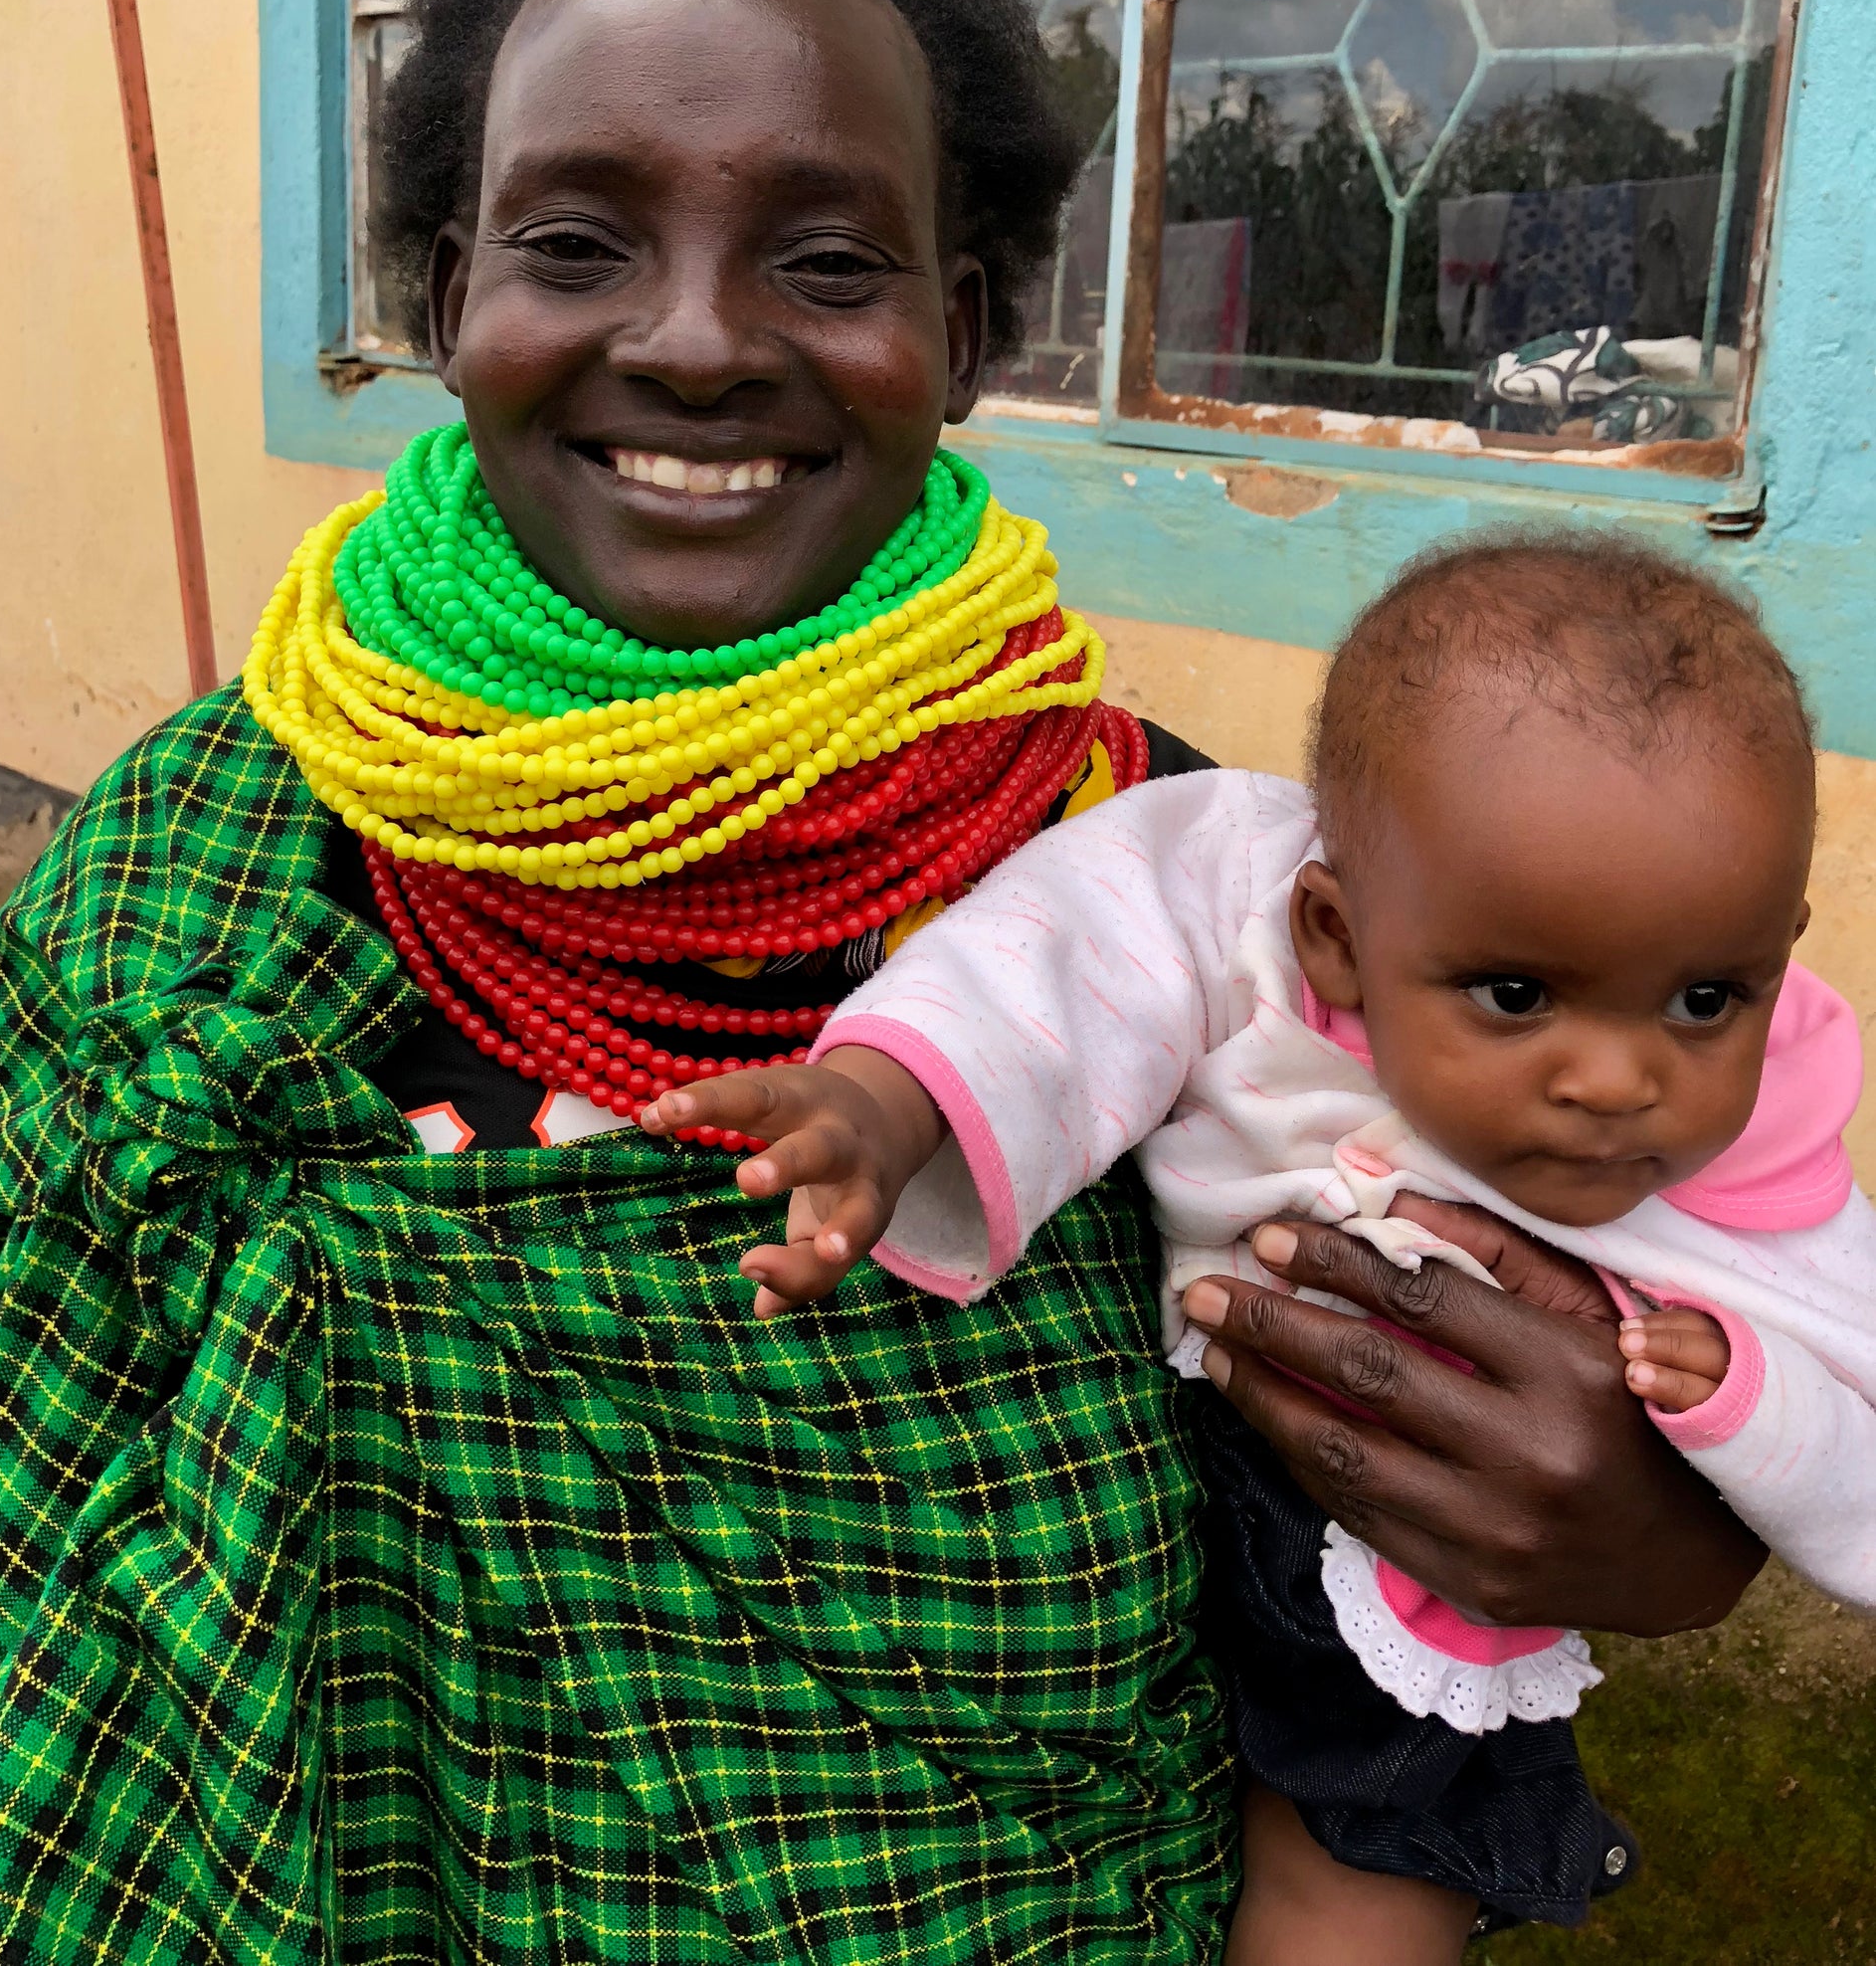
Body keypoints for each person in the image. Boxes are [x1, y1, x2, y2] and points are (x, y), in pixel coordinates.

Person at [0, 0, 1765, 1963]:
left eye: (825, 256)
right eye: (573, 238)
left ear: (969, 332)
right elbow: (8, 1509)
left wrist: (1671, 1527)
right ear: (447, 296)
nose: (696, 337)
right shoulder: (182, 878)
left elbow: (1568, 1336)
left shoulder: (1180, 905)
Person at [663, 530, 1873, 1958]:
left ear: (1775, 946)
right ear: (1333, 933)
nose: (1614, 1082)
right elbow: (1049, 960)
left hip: (1411, 1557)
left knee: (1361, 1877)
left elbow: (1840, 1346)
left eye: (1700, 1000)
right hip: (1149, 1483)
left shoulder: (1758, 1134)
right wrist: (884, 1102)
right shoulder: (1223, 881)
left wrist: (1738, 1391)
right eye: (1509, 991)